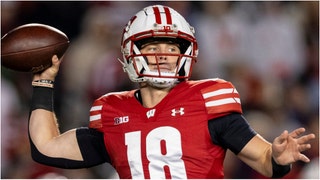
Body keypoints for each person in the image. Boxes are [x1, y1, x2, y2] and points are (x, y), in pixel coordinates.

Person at [28, 5, 315, 179]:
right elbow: (46, 148)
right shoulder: (112, 112)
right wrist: (43, 82)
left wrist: (278, 157)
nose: (163, 55)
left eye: (172, 47)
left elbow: (265, 162)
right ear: (131, 54)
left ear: (186, 53)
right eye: (153, 47)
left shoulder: (209, 100)